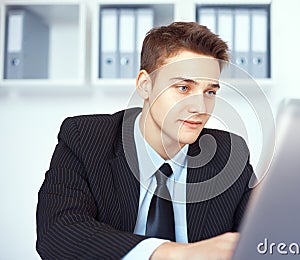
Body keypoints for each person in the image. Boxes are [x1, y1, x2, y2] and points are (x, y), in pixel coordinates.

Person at [36, 22, 255, 259]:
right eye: (183, 88)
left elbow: (261, 240)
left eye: (210, 92)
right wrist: (173, 254)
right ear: (145, 85)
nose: (200, 108)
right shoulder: (85, 137)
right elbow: (57, 234)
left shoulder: (230, 153)